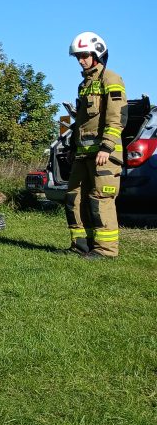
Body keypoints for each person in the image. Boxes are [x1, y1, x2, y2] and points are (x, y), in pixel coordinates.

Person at [66, 31, 126, 259]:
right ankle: (81, 246)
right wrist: (73, 149)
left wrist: (106, 146)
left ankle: (106, 250)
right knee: (74, 198)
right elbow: (81, 122)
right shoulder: (84, 85)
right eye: (78, 57)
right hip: (83, 155)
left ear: (97, 54)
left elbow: (117, 117)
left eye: (84, 55)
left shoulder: (111, 79)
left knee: (101, 199)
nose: (80, 60)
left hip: (104, 155)